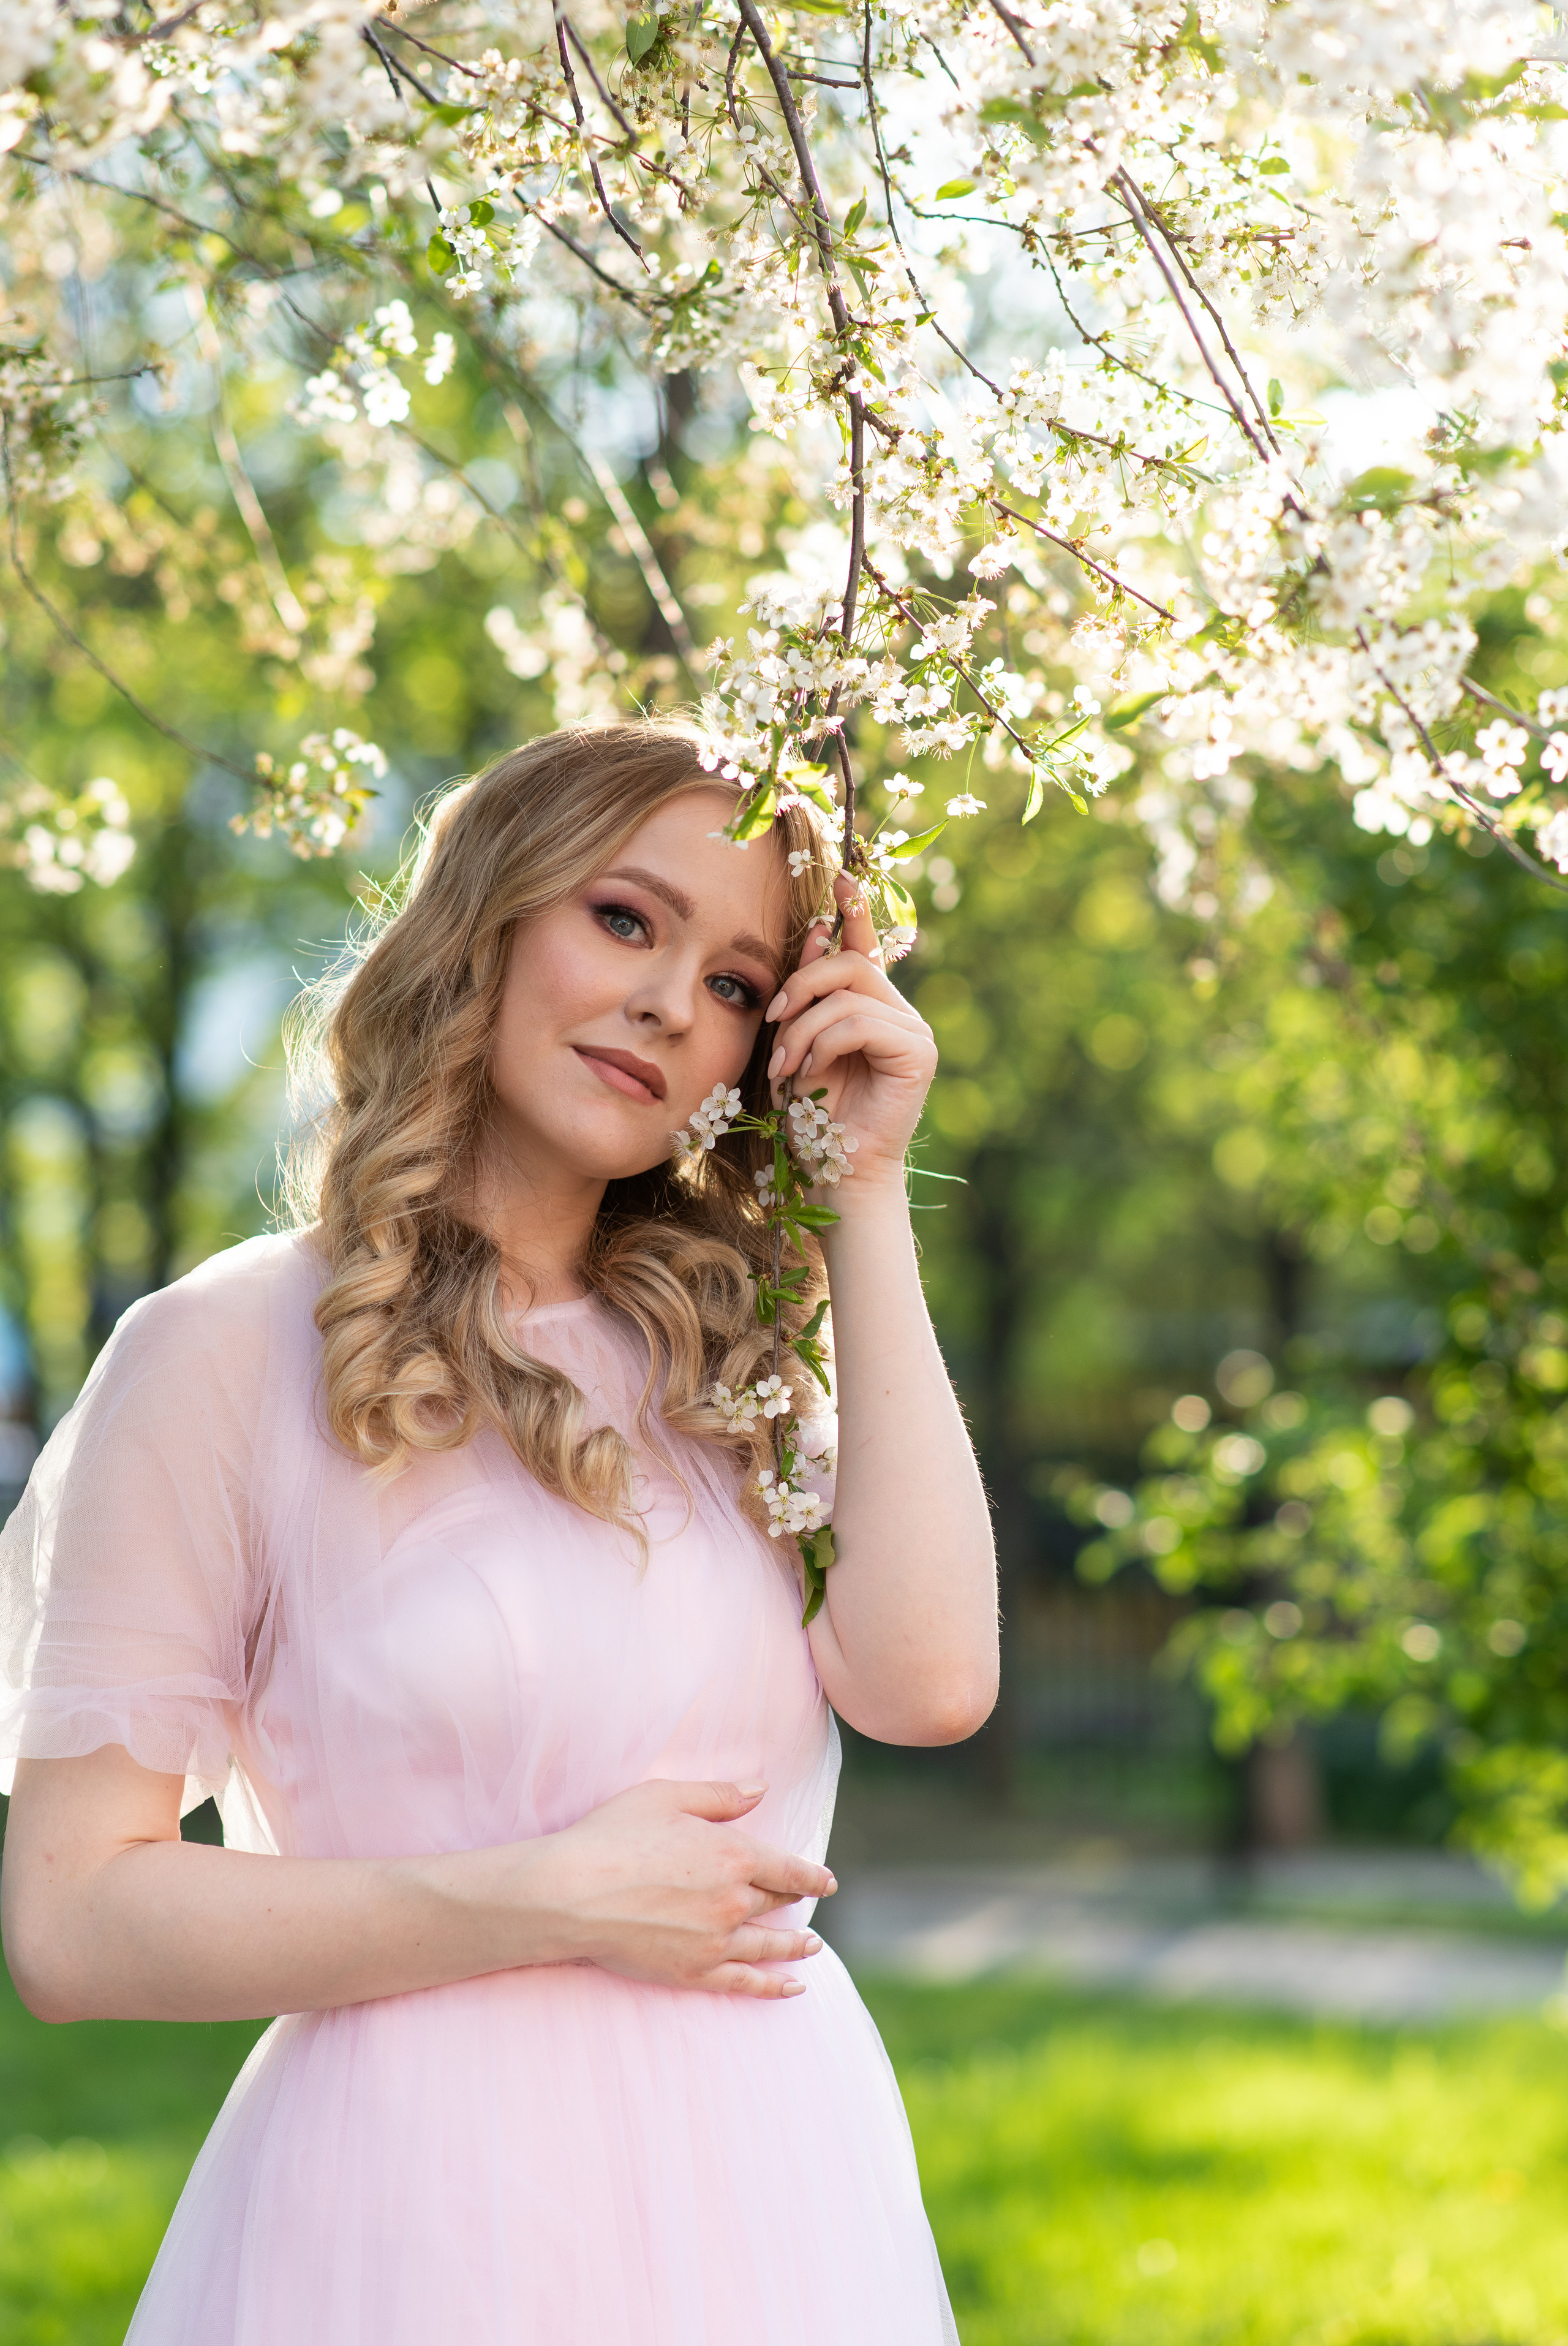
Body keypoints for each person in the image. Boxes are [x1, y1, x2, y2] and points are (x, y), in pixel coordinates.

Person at [0, 721, 998, 2345]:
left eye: (740, 981)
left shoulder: (737, 1355)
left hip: (775, 2199)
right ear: (491, 913)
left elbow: (931, 1681)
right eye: (626, 917)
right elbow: (66, 1919)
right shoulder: (223, 1351)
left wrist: (866, 1189)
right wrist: (545, 1897)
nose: (678, 1001)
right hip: (407, 2215)